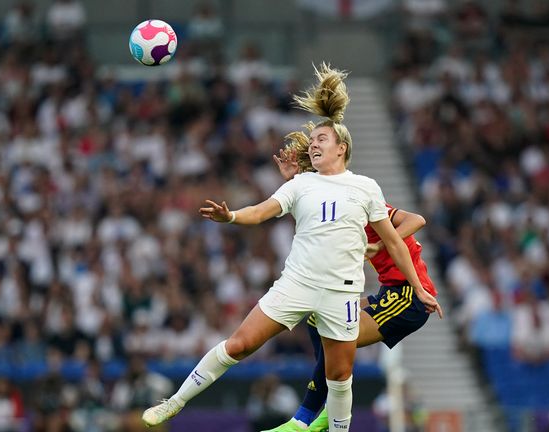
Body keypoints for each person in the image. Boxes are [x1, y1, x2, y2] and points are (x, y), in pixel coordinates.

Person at [142, 63, 443, 431]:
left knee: (340, 374)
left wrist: (416, 287)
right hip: (297, 285)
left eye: (322, 139)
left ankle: (322, 426)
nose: (314, 144)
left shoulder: (365, 187)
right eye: (312, 140)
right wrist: (232, 216)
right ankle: (173, 403)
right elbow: (261, 211)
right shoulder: (300, 185)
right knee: (239, 344)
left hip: (342, 293)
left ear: (341, 149)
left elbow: (396, 241)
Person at [261, 128, 439, 432]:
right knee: (318, 319)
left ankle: (308, 417)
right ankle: (323, 412)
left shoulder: (362, 204)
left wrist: (382, 244)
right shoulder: (335, 211)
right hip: (389, 292)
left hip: (408, 298)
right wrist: (292, 181)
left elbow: (417, 220)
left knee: (337, 336)